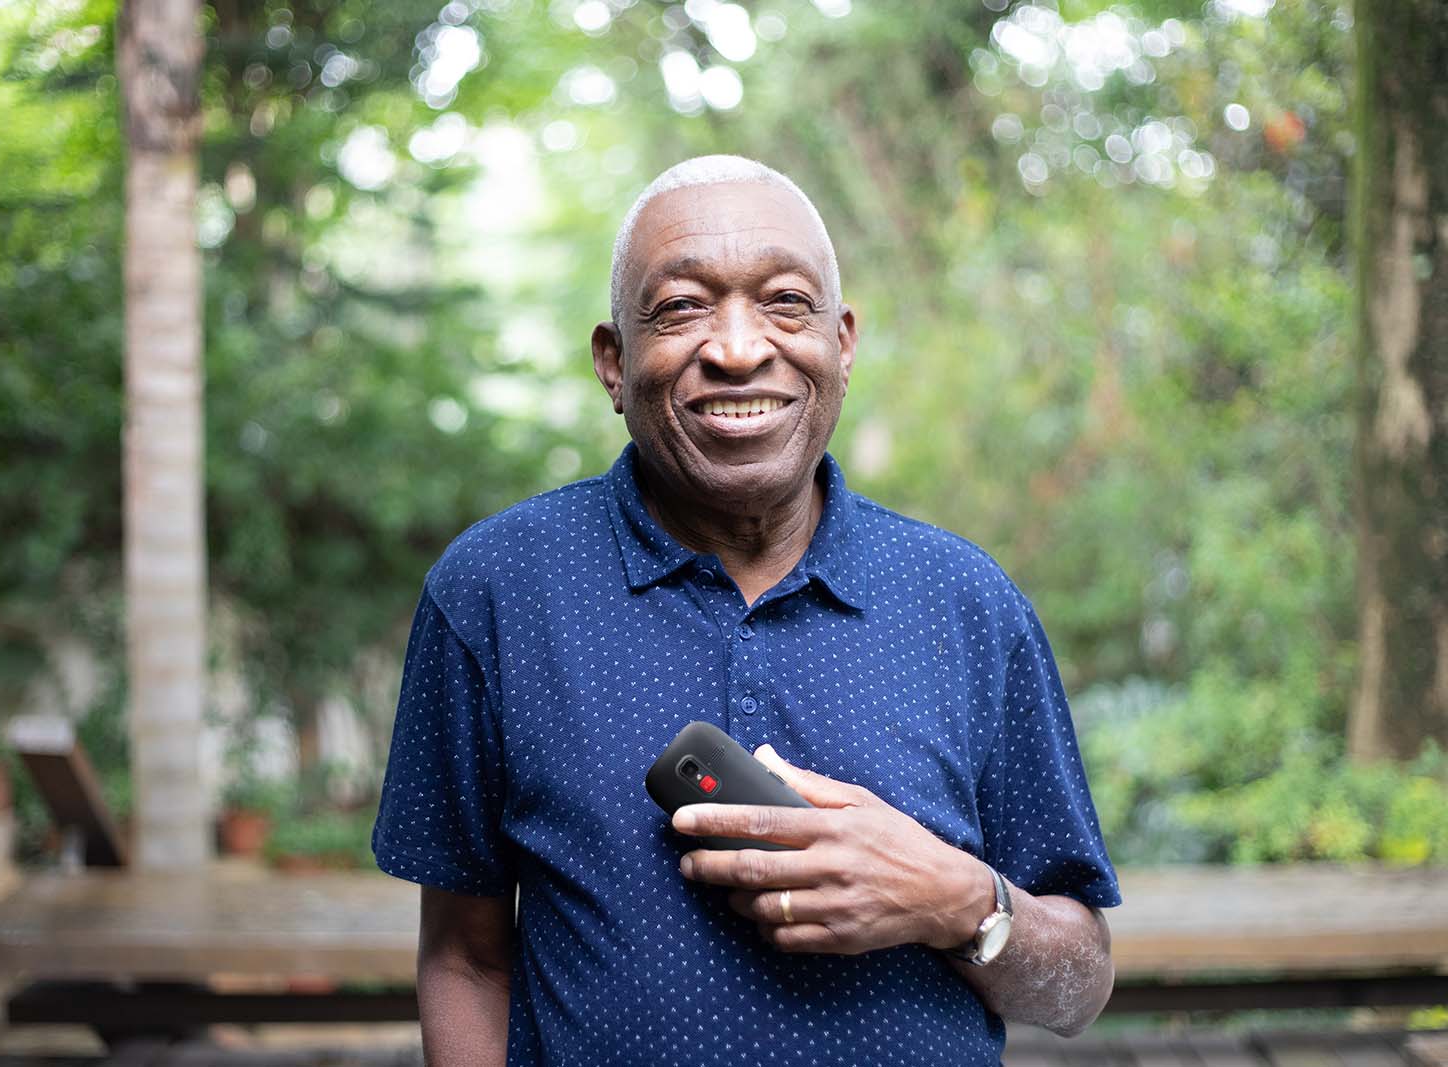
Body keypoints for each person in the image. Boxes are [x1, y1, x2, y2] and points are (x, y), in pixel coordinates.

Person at [372, 155, 1120, 1066]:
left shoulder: (965, 604)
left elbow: (1080, 985)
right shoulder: (493, 592)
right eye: (682, 306)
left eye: (785, 302)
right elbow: (464, 958)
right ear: (613, 362)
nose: (736, 348)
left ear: (842, 342)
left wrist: (956, 899)